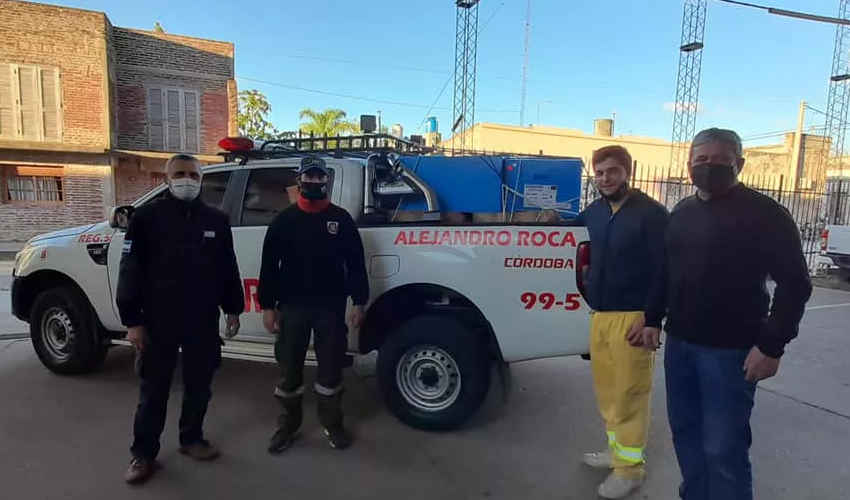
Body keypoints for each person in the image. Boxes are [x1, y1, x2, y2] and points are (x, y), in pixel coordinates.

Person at [657, 128, 812, 500]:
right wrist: (651, 318)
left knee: (723, 449)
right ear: (690, 164)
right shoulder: (682, 211)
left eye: (722, 161)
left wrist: (771, 346)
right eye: (702, 160)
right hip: (680, 346)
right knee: (686, 434)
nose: (710, 167)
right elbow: (668, 271)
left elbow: (795, 284)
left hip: (731, 353)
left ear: (739, 164)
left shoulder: (766, 214)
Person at [117, 153, 244, 484]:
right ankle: (143, 454)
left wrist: (233, 308)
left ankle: (191, 439)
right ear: (166, 179)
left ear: (201, 179)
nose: (187, 179)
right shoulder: (145, 218)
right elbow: (130, 271)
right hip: (158, 319)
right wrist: (132, 321)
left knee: (200, 385)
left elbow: (227, 268)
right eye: (180, 173)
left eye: (193, 174)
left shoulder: (216, 220)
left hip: (201, 319)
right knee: (154, 390)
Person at [575, 145, 669, 499]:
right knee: (609, 393)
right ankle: (616, 453)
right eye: (599, 172)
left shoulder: (651, 213)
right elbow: (567, 231)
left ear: (627, 172)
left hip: (634, 317)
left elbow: (665, 269)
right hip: (600, 315)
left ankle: (630, 470)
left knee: (630, 394)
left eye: (612, 171)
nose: (604, 178)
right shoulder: (596, 212)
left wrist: (653, 318)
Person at [258, 156, 369, 453]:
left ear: (326, 181)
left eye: (319, 177)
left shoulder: (341, 220)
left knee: (330, 372)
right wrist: (268, 306)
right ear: (299, 180)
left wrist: (359, 302)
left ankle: (332, 425)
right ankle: (287, 426)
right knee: (289, 373)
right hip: (292, 308)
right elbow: (269, 266)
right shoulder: (284, 221)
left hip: (330, 309)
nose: (314, 181)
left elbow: (356, 264)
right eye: (309, 176)